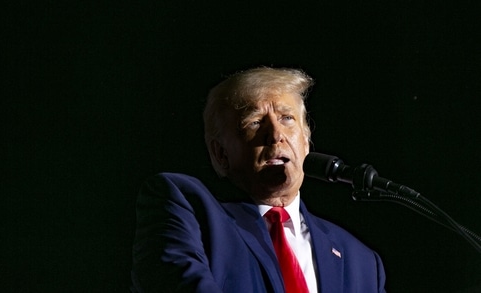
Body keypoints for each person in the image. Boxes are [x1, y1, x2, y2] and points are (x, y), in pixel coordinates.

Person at [131, 67, 386, 292]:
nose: (276, 134)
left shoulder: (361, 262)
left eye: (287, 118)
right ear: (221, 154)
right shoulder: (187, 209)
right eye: (254, 122)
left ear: (306, 142)